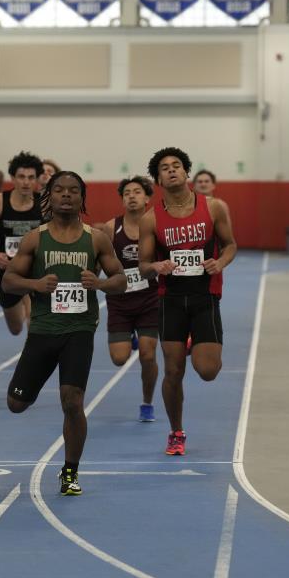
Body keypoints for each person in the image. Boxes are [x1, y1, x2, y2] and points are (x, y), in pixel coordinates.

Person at [3, 171, 127, 496]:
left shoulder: (96, 238)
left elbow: (121, 280)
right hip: (43, 329)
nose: (67, 195)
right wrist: (35, 284)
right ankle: (27, 391)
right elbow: (9, 281)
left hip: (79, 329)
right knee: (16, 403)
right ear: (50, 196)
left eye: (73, 190)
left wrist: (99, 283)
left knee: (72, 401)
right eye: (59, 190)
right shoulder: (35, 238)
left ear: (82, 198)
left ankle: (70, 471)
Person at [138, 147, 237, 457]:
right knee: (173, 371)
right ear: (158, 179)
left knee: (207, 370)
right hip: (171, 300)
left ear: (186, 172)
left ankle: (197, 340)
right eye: (164, 168)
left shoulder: (214, 207)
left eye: (176, 165)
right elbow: (143, 265)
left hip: (205, 297)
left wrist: (220, 263)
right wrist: (156, 266)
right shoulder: (151, 219)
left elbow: (230, 245)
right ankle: (176, 432)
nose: (171, 170)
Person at [100, 176, 160, 422]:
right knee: (119, 359)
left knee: (148, 355)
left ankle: (147, 402)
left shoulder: (157, 224)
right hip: (120, 302)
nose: (132, 196)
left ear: (147, 198)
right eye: (127, 193)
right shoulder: (110, 228)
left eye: (137, 192)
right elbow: (99, 261)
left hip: (150, 300)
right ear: (122, 200)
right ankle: (131, 338)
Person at [0, 152, 43, 334]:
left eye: (31, 177)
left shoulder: (43, 204)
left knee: (34, 322)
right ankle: (21, 302)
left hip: (34, 271)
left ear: (36, 179)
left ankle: (28, 305)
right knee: (15, 328)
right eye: (21, 177)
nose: (26, 182)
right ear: (13, 178)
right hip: (6, 272)